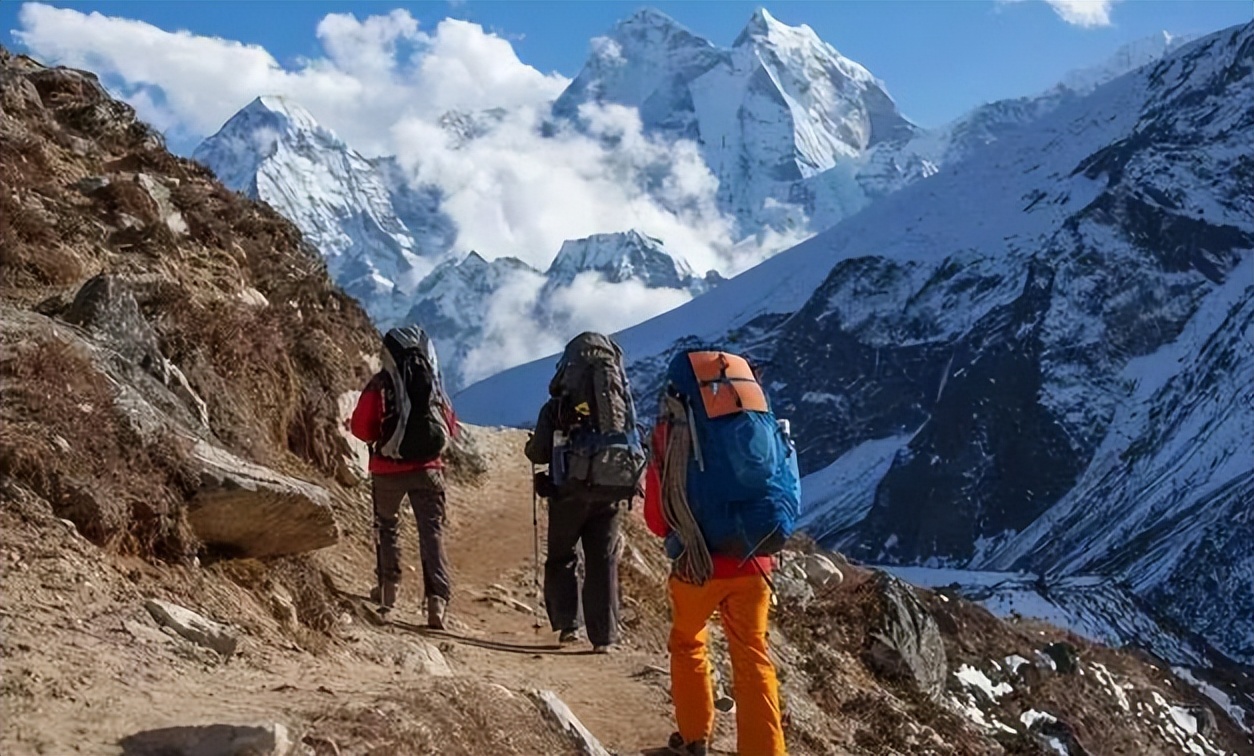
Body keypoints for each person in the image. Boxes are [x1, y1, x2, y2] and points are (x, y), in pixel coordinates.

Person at [643, 348, 796, 756]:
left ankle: (694, 740)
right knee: (753, 656)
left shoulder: (671, 431)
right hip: (756, 561)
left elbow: (657, 521)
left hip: (700, 564)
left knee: (689, 642)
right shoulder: (758, 424)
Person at [524, 332, 646, 653]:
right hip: (612, 490)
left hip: (570, 491)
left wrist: (531, 447)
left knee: (563, 555)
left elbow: (538, 452)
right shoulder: (620, 403)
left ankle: (568, 627)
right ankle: (604, 638)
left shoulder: (558, 407)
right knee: (602, 560)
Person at [349, 326, 457, 629]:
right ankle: (437, 602)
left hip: (387, 470)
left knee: (387, 527)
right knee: (431, 532)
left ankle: (388, 593)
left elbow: (361, 428)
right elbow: (450, 424)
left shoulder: (381, 384)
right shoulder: (433, 383)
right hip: (428, 470)